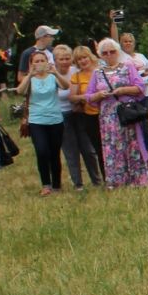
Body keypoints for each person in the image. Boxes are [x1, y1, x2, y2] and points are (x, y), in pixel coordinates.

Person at [86, 38, 148, 188]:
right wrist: (99, 95)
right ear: (101, 55)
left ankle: (137, 178)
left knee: (132, 143)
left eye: (112, 51)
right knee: (113, 146)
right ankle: (117, 179)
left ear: (118, 51)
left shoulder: (127, 67)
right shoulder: (97, 73)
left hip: (126, 112)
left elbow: (140, 86)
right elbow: (88, 96)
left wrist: (123, 90)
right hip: (108, 116)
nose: (109, 55)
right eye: (105, 52)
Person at [50, 43, 102, 189]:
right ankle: (78, 183)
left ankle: (96, 180)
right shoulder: (51, 75)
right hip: (62, 115)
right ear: (55, 60)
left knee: (88, 149)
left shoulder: (75, 71)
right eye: (62, 59)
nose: (65, 61)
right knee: (70, 151)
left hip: (80, 113)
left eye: (68, 58)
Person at [16, 53, 66, 194]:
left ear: (47, 62)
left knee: (54, 153)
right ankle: (46, 184)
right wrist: (30, 75)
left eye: (42, 60)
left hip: (55, 119)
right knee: (42, 151)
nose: (39, 63)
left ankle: (57, 184)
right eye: (36, 61)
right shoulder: (30, 78)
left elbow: (65, 86)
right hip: (37, 120)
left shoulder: (52, 76)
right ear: (31, 64)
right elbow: (20, 91)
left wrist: (55, 72)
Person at [64, 44, 106, 188]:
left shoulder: (101, 71)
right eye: (79, 59)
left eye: (84, 57)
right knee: (98, 148)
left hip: (107, 113)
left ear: (90, 57)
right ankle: (106, 179)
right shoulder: (77, 76)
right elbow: (72, 97)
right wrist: (89, 97)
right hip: (89, 116)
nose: (83, 61)